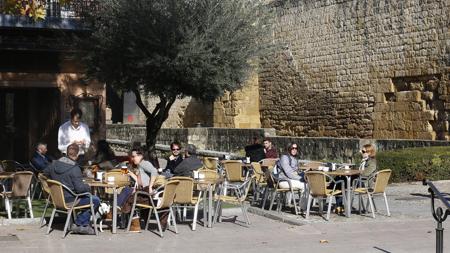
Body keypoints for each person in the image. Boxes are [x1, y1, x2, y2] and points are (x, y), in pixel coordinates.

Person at [43, 143, 100, 235]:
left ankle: (79, 224)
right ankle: (80, 224)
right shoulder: (75, 168)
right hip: (71, 200)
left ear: (66, 153)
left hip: (57, 199)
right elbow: (80, 189)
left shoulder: (53, 164)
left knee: (87, 198)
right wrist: (88, 186)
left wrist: (51, 185)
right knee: (95, 200)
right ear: (77, 155)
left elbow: (44, 173)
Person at [119, 148, 159, 232]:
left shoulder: (144, 163)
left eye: (134, 156)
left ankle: (114, 211)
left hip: (145, 194)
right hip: (142, 192)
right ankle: (130, 220)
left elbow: (154, 171)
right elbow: (139, 180)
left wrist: (151, 186)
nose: (132, 159)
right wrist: (129, 172)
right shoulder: (140, 165)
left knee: (126, 191)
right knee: (127, 191)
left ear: (140, 156)